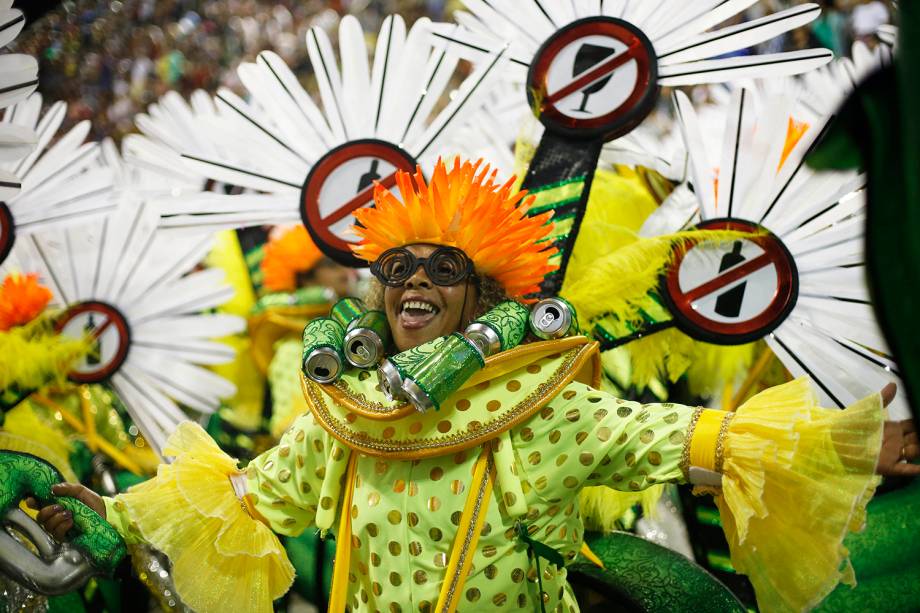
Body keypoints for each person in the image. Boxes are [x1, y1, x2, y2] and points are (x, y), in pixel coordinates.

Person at [36, 159, 919, 613]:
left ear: (481, 293)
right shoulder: (347, 412)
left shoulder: (539, 407)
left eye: (444, 266)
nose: (417, 281)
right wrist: (114, 520)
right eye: (399, 265)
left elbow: (688, 439)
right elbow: (248, 495)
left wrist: (852, 443)